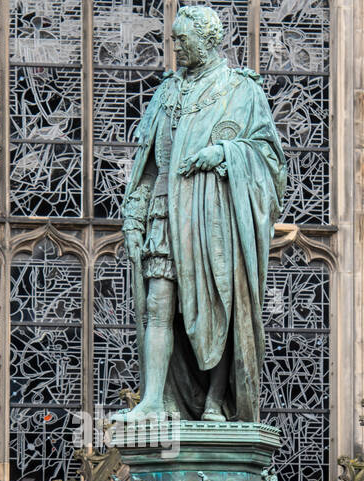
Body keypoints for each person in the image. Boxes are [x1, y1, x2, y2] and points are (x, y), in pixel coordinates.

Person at [113, 4, 286, 424]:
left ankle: (215, 401)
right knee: (158, 304)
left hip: (214, 218)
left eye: (181, 39)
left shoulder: (241, 90)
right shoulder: (165, 93)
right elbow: (147, 166)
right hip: (163, 212)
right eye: (172, 39)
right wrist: (133, 219)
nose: (174, 46)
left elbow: (269, 161)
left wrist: (223, 154)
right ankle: (153, 400)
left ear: (208, 40)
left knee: (221, 307)